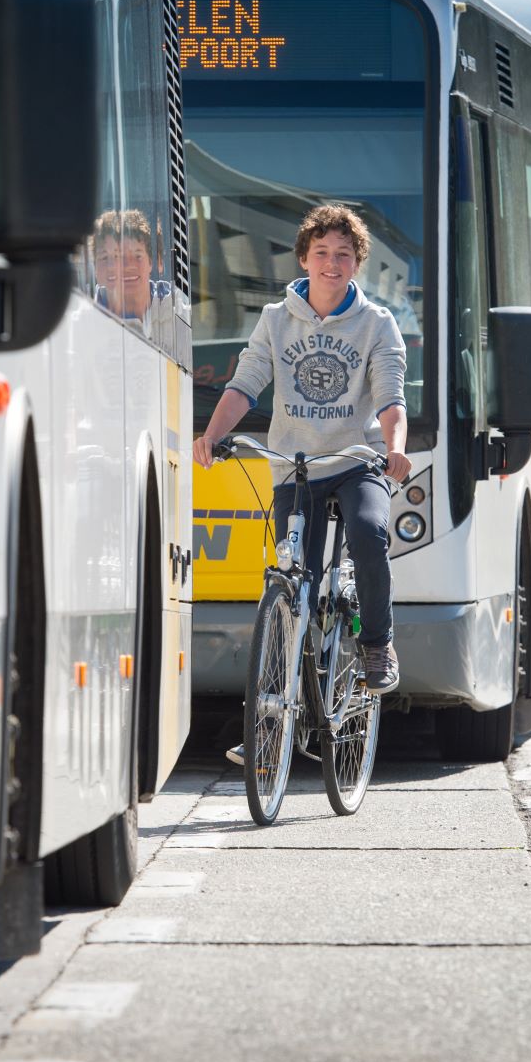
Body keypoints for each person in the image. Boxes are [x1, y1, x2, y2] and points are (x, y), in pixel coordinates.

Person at [193, 204, 411, 764]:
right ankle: (272, 727)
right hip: (293, 467)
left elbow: (390, 397)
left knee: (367, 530)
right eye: (322, 254)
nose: (331, 263)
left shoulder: (377, 324)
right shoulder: (275, 318)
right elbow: (246, 383)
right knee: (293, 585)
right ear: (304, 259)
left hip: (356, 462)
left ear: (356, 263)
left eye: (343, 254)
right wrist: (212, 437)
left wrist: (396, 447)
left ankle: (375, 644)